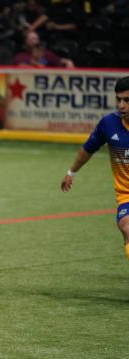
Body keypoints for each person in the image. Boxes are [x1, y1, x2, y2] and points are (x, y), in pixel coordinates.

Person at [61, 77, 129, 259]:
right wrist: (71, 172)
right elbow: (87, 149)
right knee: (127, 228)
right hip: (126, 194)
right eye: (119, 100)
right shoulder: (109, 124)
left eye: (127, 100)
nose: (121, 105)